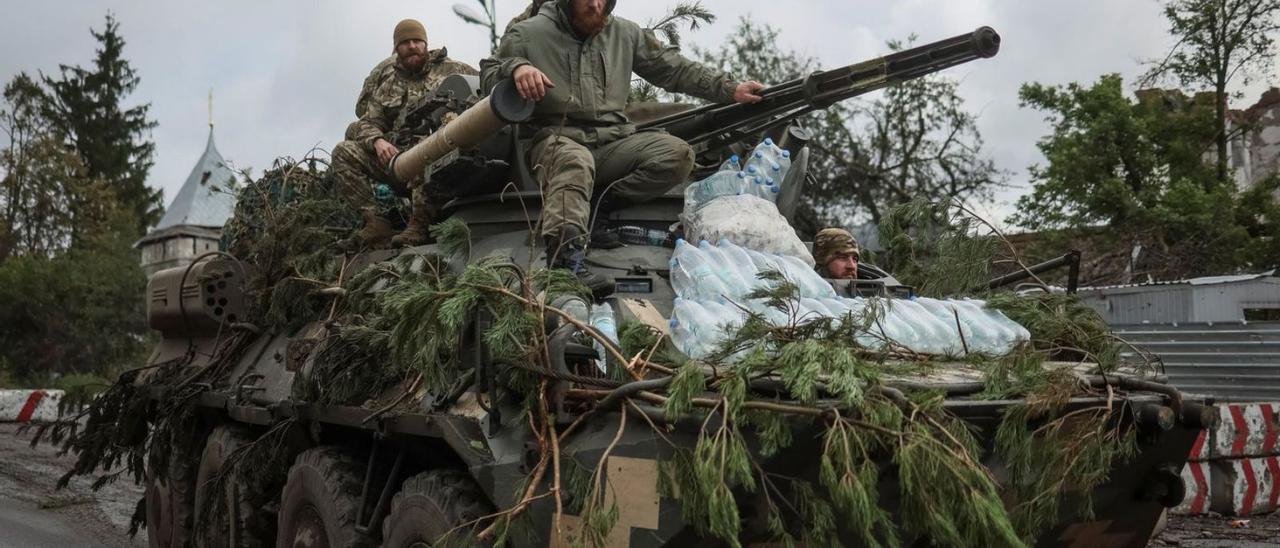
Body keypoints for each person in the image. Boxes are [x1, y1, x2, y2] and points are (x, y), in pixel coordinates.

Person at [479, 0, 765, 297]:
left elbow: (675, 70)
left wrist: (730, 89)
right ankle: (565, 261)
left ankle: (599, 208)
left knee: (676, 155)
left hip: (612, 141)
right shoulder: (529, 33)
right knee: (574, 161)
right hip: (554, 139)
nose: (596, 5)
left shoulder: (624, 33)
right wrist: (517, 68)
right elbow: (489, 76)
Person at [332, 19, 478, 249]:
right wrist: (378, 141)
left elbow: (483, 92)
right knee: (344, 152)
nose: (412, 46)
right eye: (405, 43)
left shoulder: (454, 70)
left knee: (426, 148)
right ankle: (377, 222)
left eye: (417, 41)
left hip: (441, 158)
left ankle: (418, 225)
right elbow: (368, 121)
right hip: (397, 159)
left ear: (426, 44)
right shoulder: (389, 84)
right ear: (396, 49)